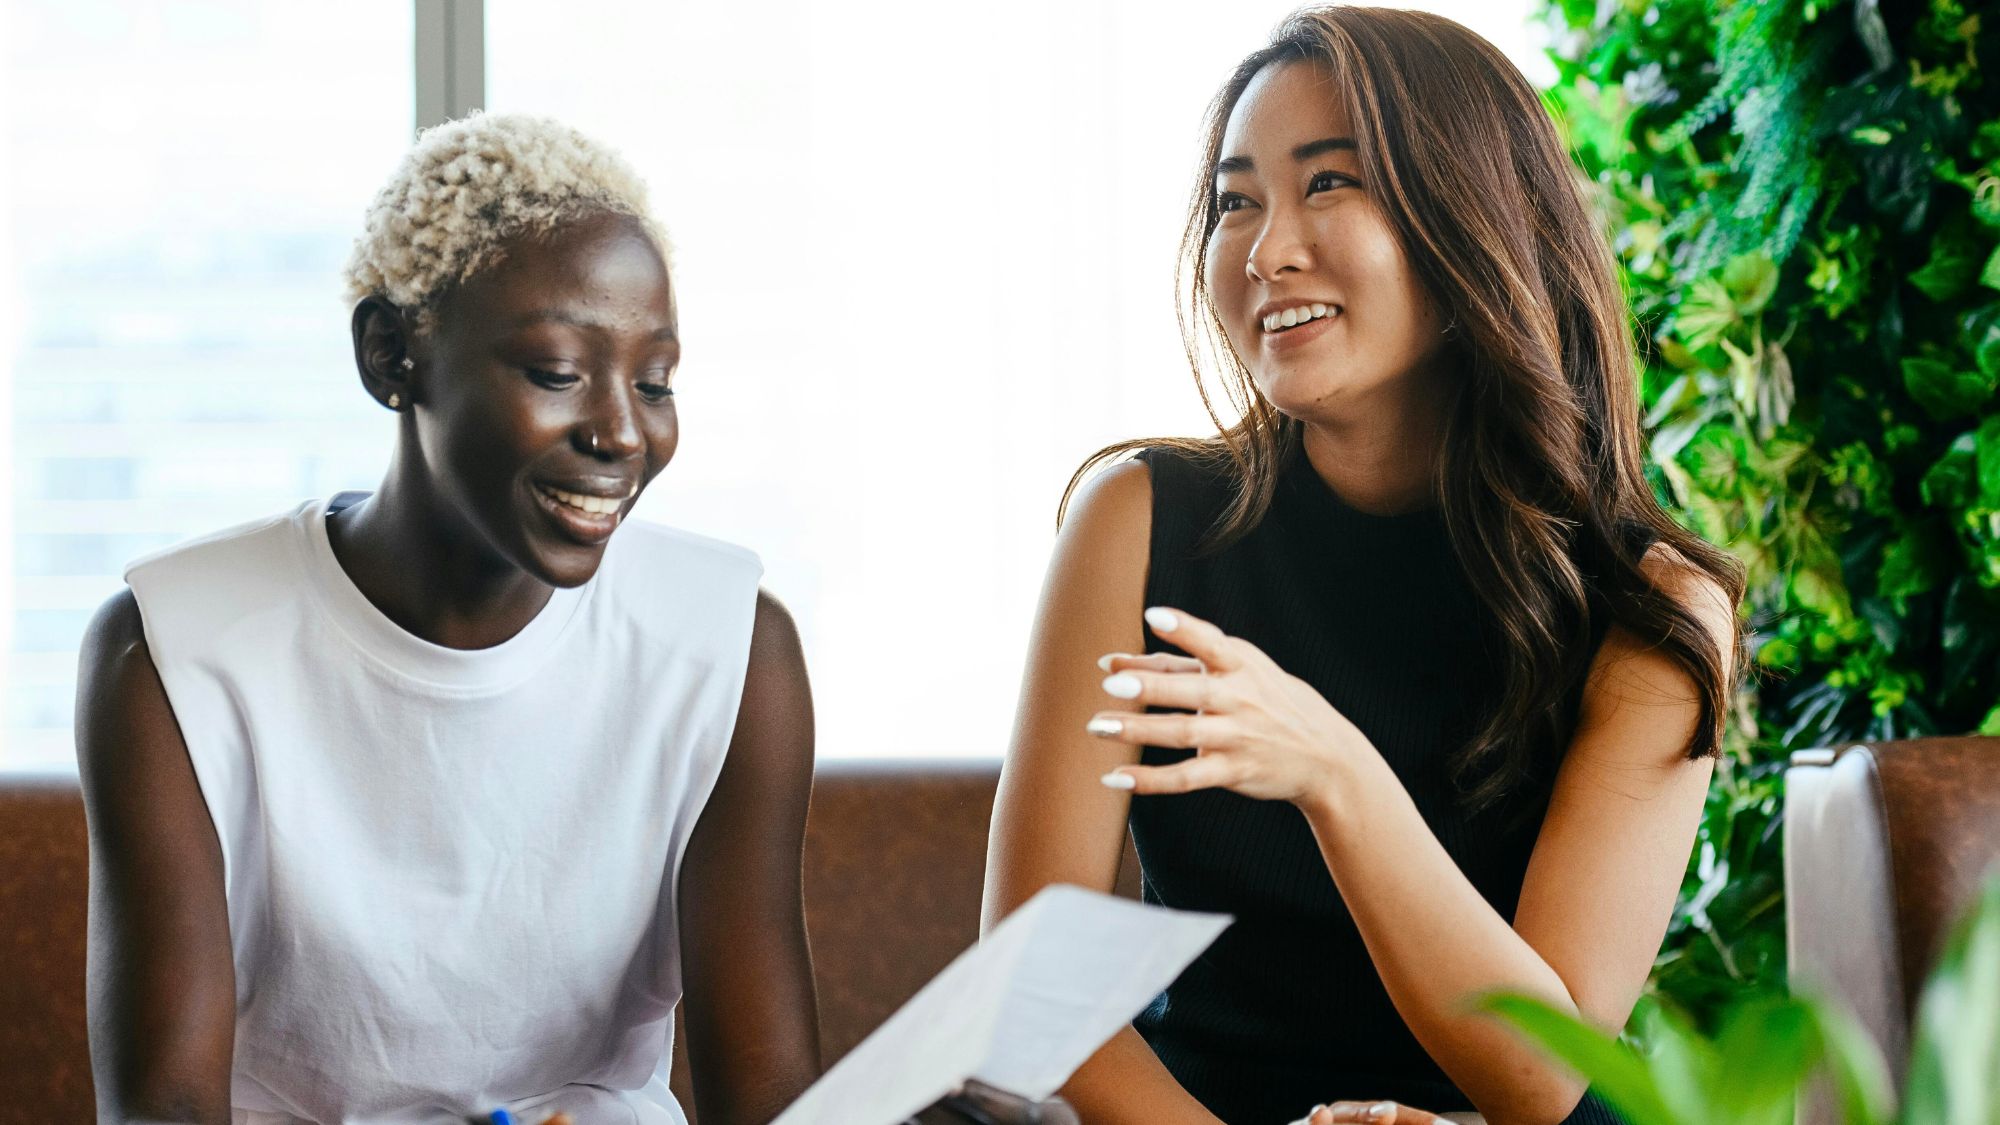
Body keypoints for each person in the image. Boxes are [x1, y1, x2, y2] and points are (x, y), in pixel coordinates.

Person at [73, 114, 1066, 1125]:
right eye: (556, 373)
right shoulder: (172, 653)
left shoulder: (726, 648)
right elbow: (164, 1110)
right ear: (390, 355)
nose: (621, 431)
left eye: (654, 381)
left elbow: (761, 1100)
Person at [982, 8, 1742, 1125]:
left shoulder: (1650, 607)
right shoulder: (1136, 521)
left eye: (1327, 184)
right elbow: (1032, 997)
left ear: (1471, 218)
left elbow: (1544, 1073)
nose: (1264, 248)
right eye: (1235, 200)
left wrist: (1334, 775)